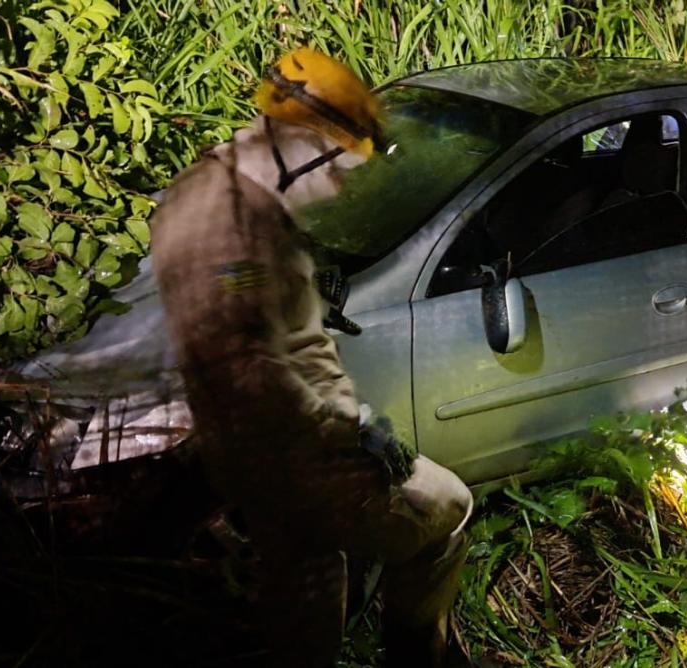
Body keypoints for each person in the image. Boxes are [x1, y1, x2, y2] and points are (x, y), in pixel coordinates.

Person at [150, 48, 473, 667]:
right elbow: (250, 370)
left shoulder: (243, 197)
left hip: (282, 445)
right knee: (448, 508)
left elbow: (295, 339)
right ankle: (417, 657)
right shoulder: (226, 221)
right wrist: (352, 431)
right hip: (283, 450)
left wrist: (348, 411)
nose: (343, 185)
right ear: (301, 143)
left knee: (310, 580)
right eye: (339, 168)